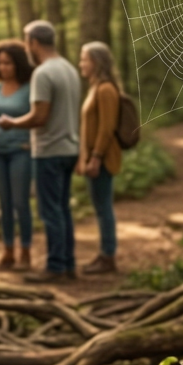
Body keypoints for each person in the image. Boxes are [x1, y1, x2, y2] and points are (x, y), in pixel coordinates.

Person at [0, 20, 82, 283]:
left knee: (50, 211)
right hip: (70, 147)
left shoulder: (43, 73)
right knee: (63, 209)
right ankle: (67, 263)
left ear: (33, 42)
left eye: (26, 42)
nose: (25, 48)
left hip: (49, 151)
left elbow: (39, 117)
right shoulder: (68, 69)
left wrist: (12, 123)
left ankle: (55, 266)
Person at [0, 40, 35, 271]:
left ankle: (25, 251)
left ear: (18, 64)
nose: (3, 67)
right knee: (4, 204)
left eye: (8, 63)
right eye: (0, 63)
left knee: (20, 202)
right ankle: (7, 251)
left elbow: (37, 118)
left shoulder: (28, 89)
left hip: (20, 151)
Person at [77, 41, 123, 275]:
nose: (81, 64)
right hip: (93, 159)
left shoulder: (106, 89)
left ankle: (108, 256)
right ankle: (105, 253)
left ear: (96, 62)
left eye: (84, 59)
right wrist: (82, 158)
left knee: (104, 207)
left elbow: (106, 129)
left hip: (102, 159)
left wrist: (95, 158)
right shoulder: (94, 88)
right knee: (100, 207)